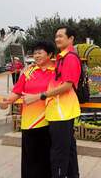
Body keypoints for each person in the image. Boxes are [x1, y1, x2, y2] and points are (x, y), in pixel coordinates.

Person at [24, 26, 81, 178]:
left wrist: (39, 96)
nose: (57, 39)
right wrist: (34, 65)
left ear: (71, 39)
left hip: (62, 112)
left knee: (58, 154)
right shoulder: (61, 57)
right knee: (68, 150)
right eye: (56, 36)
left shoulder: (70, 57)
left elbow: (67, 86)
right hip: (59, 111)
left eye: (61, 36)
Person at [0, 41, 56, 178]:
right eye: (34, 53)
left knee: (47, 159)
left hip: (51, 121)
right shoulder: (29, 71)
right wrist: (7, 101)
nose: (36, 56)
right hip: (30, 122)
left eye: (39, 52)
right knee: (30, 159)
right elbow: (17, 91)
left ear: (49, 54)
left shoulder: (56, 71)